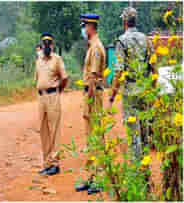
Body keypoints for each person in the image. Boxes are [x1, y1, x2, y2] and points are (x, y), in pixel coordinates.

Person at [109, 7, 154, 160]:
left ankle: (137, 170)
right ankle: (145, 169)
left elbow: (119, 70)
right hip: (145, 89)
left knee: (134, 134)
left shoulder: (121, 41)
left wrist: (112, 95)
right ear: (135, 21)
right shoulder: (146, 39)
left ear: (124, 22)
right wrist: (153, 91)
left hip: (130, 91)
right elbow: (153, 67)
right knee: (145, 131)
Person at [75, 13, 106, 195]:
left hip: (93, 95)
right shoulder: (92, 46)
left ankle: (99, 178)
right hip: (91, 95)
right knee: (90, 137)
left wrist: (89, 102)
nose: (83, 29)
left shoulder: (96, 48)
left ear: (90, 26)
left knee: (96, 137)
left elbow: (93, 78)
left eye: (84, 25)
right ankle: (93, 176)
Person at [35, 32, 68, 176]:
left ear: (52, 45)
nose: (47, 46)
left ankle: (55, 164)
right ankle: (47, 163)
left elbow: (65, 77)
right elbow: (36, 79)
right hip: (41, 98)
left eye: (49, 43)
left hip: (53, 95)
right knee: (43, 130)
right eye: (44, 43)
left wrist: (58, 90)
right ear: (42, 45)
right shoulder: (38, 60)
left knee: (54, 129)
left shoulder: (57, 59)